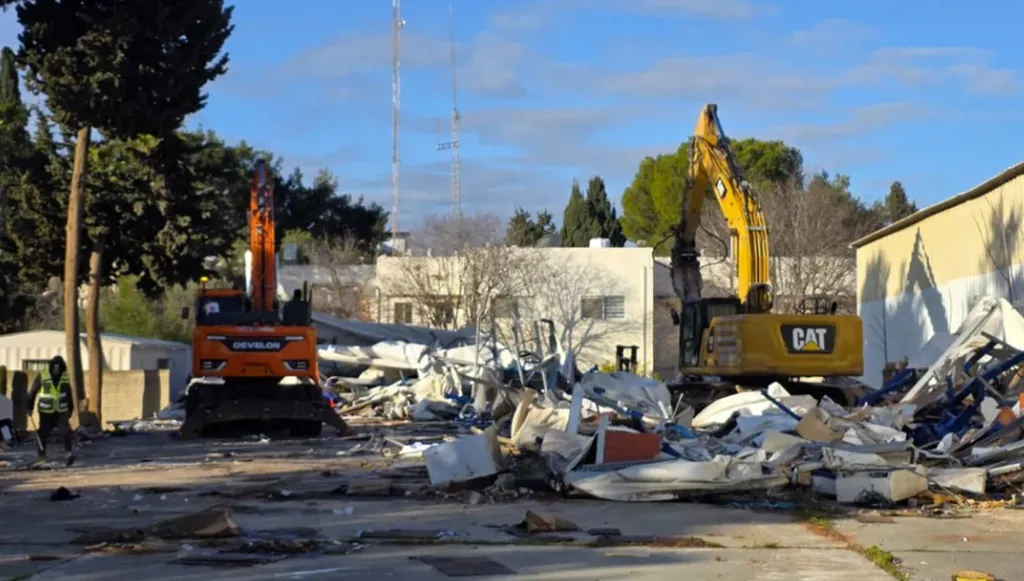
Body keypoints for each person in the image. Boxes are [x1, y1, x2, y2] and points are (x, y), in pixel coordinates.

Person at [27, 355, 76, 465]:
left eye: (59, 368)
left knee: (65, 432)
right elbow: (33, 392)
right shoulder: (43, 375)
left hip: (61, 410)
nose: (56, 370)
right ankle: (42, 455)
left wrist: (71, 408)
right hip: (46, 411)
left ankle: (69, 453)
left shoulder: (64, 376)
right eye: (54, 368)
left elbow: (69, 394)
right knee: (43, 433)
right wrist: (29, 407)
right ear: (51, 367)